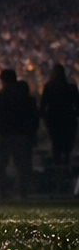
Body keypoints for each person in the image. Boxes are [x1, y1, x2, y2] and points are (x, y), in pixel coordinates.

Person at [0, 68, 38, 200]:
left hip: (3, 133)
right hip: (21, 133)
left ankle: (1, 193)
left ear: (2, 80)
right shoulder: (26, 98)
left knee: (0, 165)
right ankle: (22, 193)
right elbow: (33, 116)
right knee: (21, 165)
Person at [40, 64, 78, 194]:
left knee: (56, 149)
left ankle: (58, 180)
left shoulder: (49, 87)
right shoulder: (71, 88)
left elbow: (43, 106)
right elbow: (77, 106)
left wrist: (44, 120)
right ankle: (66, 177)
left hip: (54, 122)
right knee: (66, 151)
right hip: (68, 122)